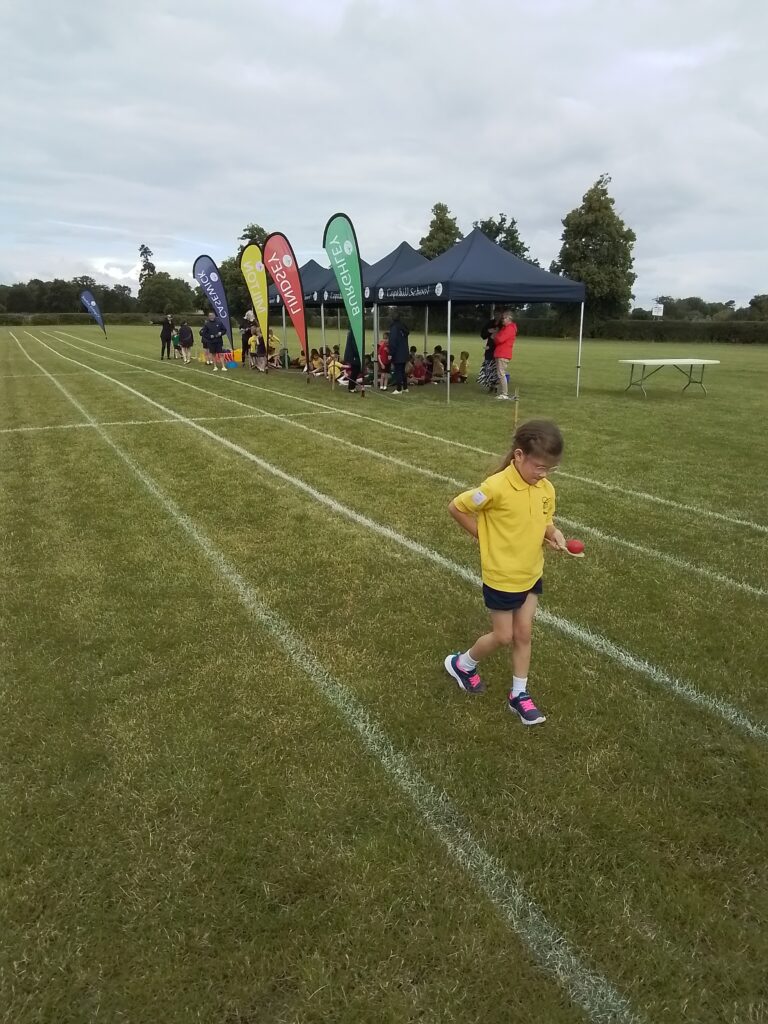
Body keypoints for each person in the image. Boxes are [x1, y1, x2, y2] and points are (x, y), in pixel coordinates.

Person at [444, 420, 567, 725]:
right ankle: (462, 663)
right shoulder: (494, 487)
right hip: (501, 576)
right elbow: (457, 507)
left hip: (530, 572)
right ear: (519, 456)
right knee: (503, 636)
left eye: (549, 469)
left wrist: (553, 534)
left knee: (524, 634)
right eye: (539, 466)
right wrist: (484, 538)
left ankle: (519, 695)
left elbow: (544, 520)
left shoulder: (545, 488)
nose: (543, 474)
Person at [493, 310, 518, 400]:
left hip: (503, 353)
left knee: (501, 373)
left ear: (509, 318)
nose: (502, 320)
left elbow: (499, 339)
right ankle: (502, 392)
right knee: (500, 373)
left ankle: (504, 394)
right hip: (500, 352)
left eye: (503, 318)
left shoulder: (509, 328)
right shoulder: (505, 328)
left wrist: (495, 336)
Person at [388, 314, 410, 394]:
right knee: (402, 371)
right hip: (404, 352)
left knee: (398, 371)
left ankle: (398, 389)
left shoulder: (394, 328)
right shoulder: (403, 327)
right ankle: (405, 387)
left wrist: (390, 353)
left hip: (397, 353)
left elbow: (393, 342)